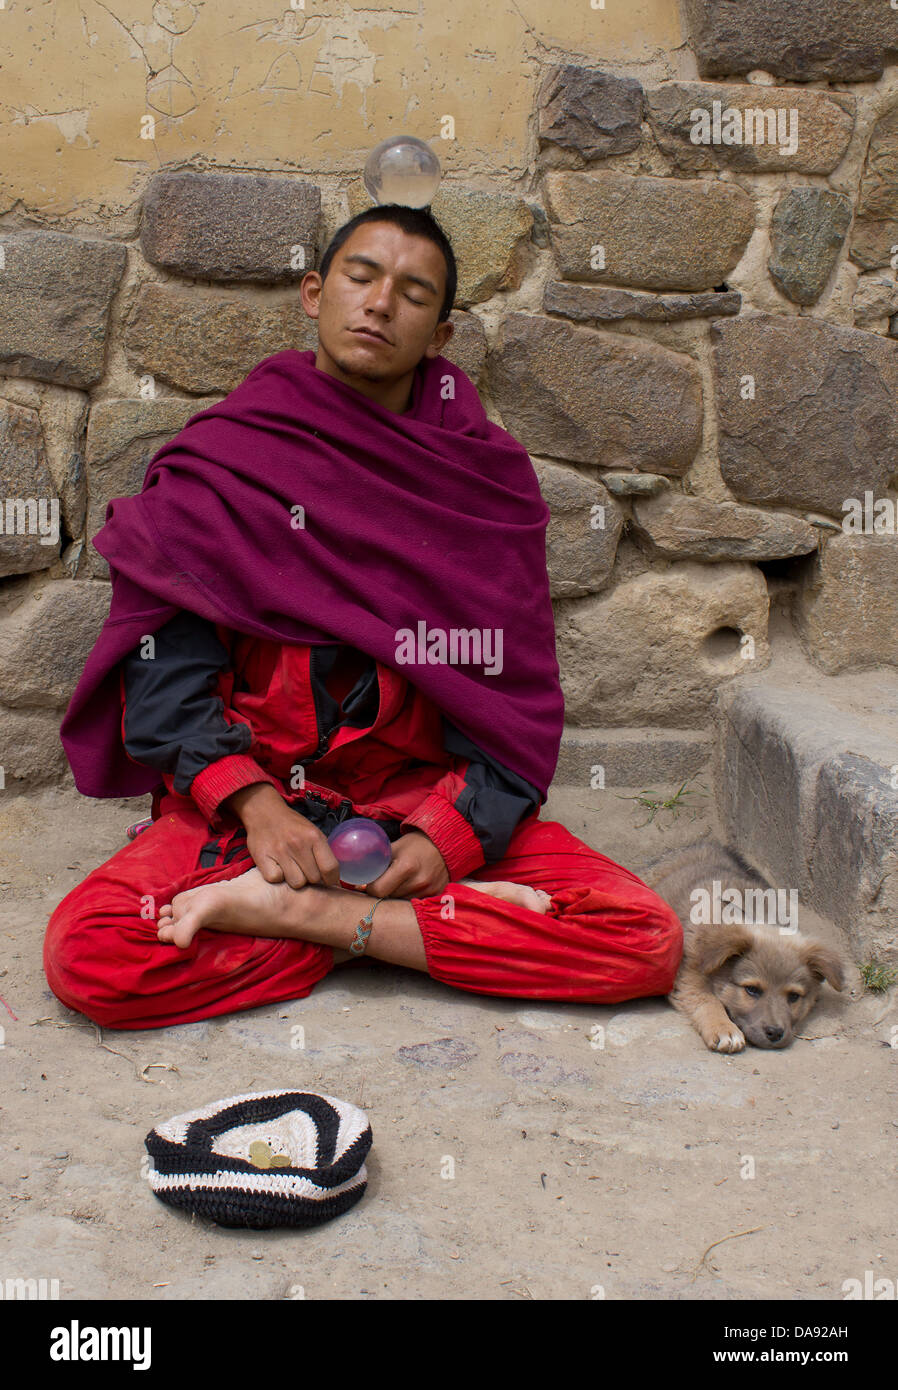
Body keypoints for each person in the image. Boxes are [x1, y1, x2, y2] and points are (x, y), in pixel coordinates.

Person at [45, 203, 683, 1030]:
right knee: (91, 956)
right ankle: (423, 931)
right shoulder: (232, 459)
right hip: (262, 807)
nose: (381, 304)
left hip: (422, 800)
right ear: (315, 293)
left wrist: (445, 841)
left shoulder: (482, 484)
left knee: (644, 940)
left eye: (414, 293)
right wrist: (257, 808)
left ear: (441, 335)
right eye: (361, 276)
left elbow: (512, 703)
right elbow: (165, 675)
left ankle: (302, 918)